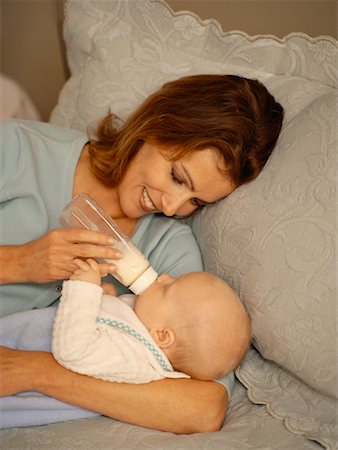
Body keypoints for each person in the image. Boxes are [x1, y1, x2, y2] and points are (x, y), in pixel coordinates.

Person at [0, 74, 283, 433]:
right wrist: (18, 262)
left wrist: (34, 371)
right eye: (178, 177)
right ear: (157, 124)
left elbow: (204, 407)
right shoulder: (21, 150)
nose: (171, 207)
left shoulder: (168, 247)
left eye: (195, 201)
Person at [52, 258, 251, 383]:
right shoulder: (144, 323)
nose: (163, 277)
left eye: (167, 288)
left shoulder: (135, 360)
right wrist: (103, 300)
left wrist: (84, 290)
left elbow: (74, 350)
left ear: (162, 335)